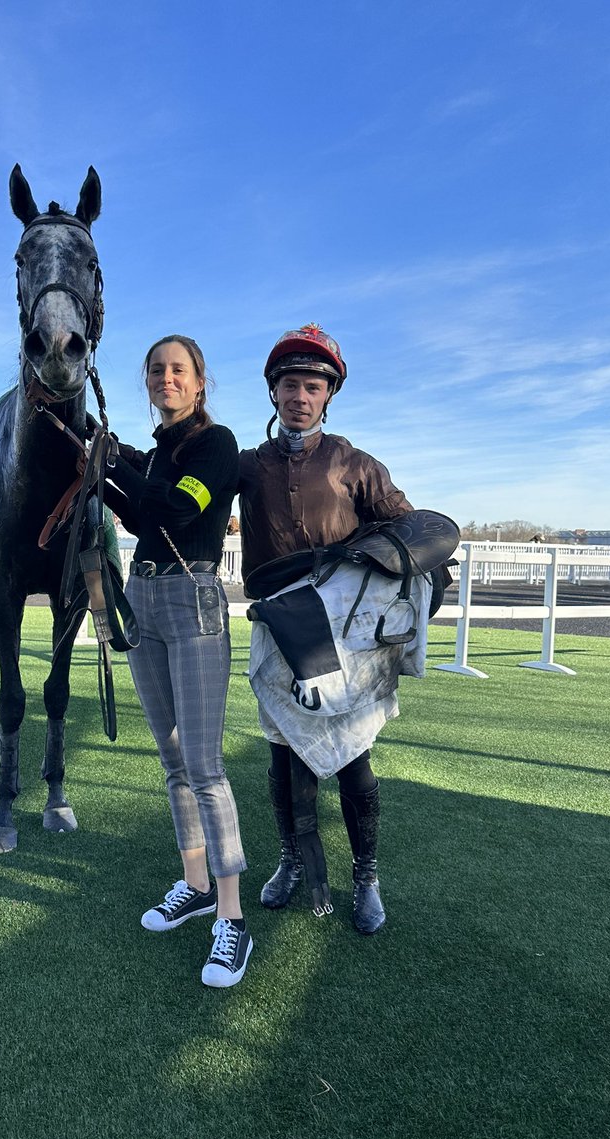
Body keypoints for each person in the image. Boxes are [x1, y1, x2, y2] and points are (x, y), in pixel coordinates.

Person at [239, 323, 438, 935]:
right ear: (274, 393)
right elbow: (183, 497)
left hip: (345, 640)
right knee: (283, 759)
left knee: (354, 763)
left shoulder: (356, 464)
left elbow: (415, 530)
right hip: (278, 630)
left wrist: (366, 563)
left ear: (328, 396)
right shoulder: (248, 466)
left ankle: (366, 876)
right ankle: (292, 861)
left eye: (313, 387)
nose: (301, 395)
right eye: (290, 385)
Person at [103, 334, 252, 988]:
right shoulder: (160, 452)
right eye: (157, 370)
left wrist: (118, 466)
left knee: (203, 764)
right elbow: (135, 513)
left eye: (178, 370)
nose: (167, 378)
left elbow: (170, 508)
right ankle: (193, 884)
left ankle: (232, 918)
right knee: (170, 760)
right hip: (144, 594)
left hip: (193, 600)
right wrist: (99, 468)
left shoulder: (215, 446)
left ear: (199, 383)